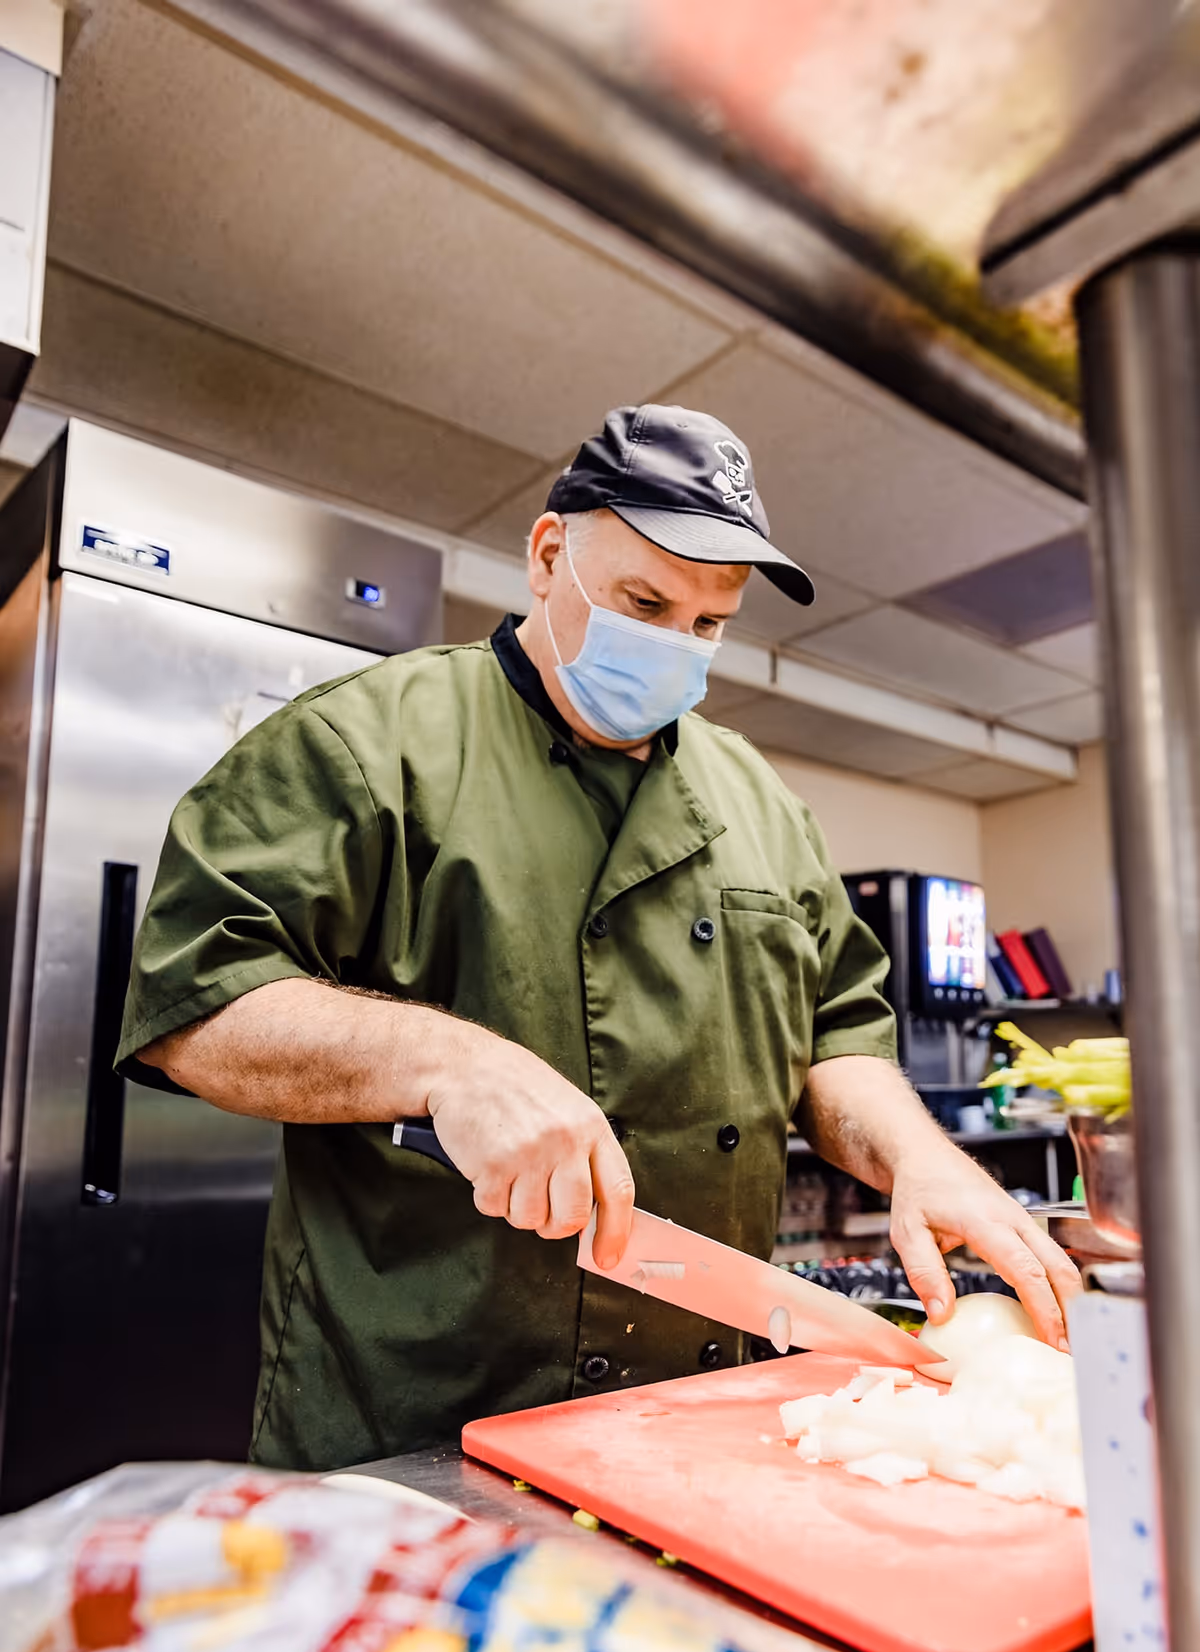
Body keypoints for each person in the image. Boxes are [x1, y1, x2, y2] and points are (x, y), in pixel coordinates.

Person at [117, 404, 1081, 1470]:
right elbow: (193, 1009)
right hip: (422, 1418)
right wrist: (448, 1061)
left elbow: (836, 1036)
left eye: (709, 624)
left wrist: (918, 1156)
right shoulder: (367, 742)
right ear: (547, 555)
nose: (676, 644)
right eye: (645, 601)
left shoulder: (761, 804)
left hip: (708, 1416)